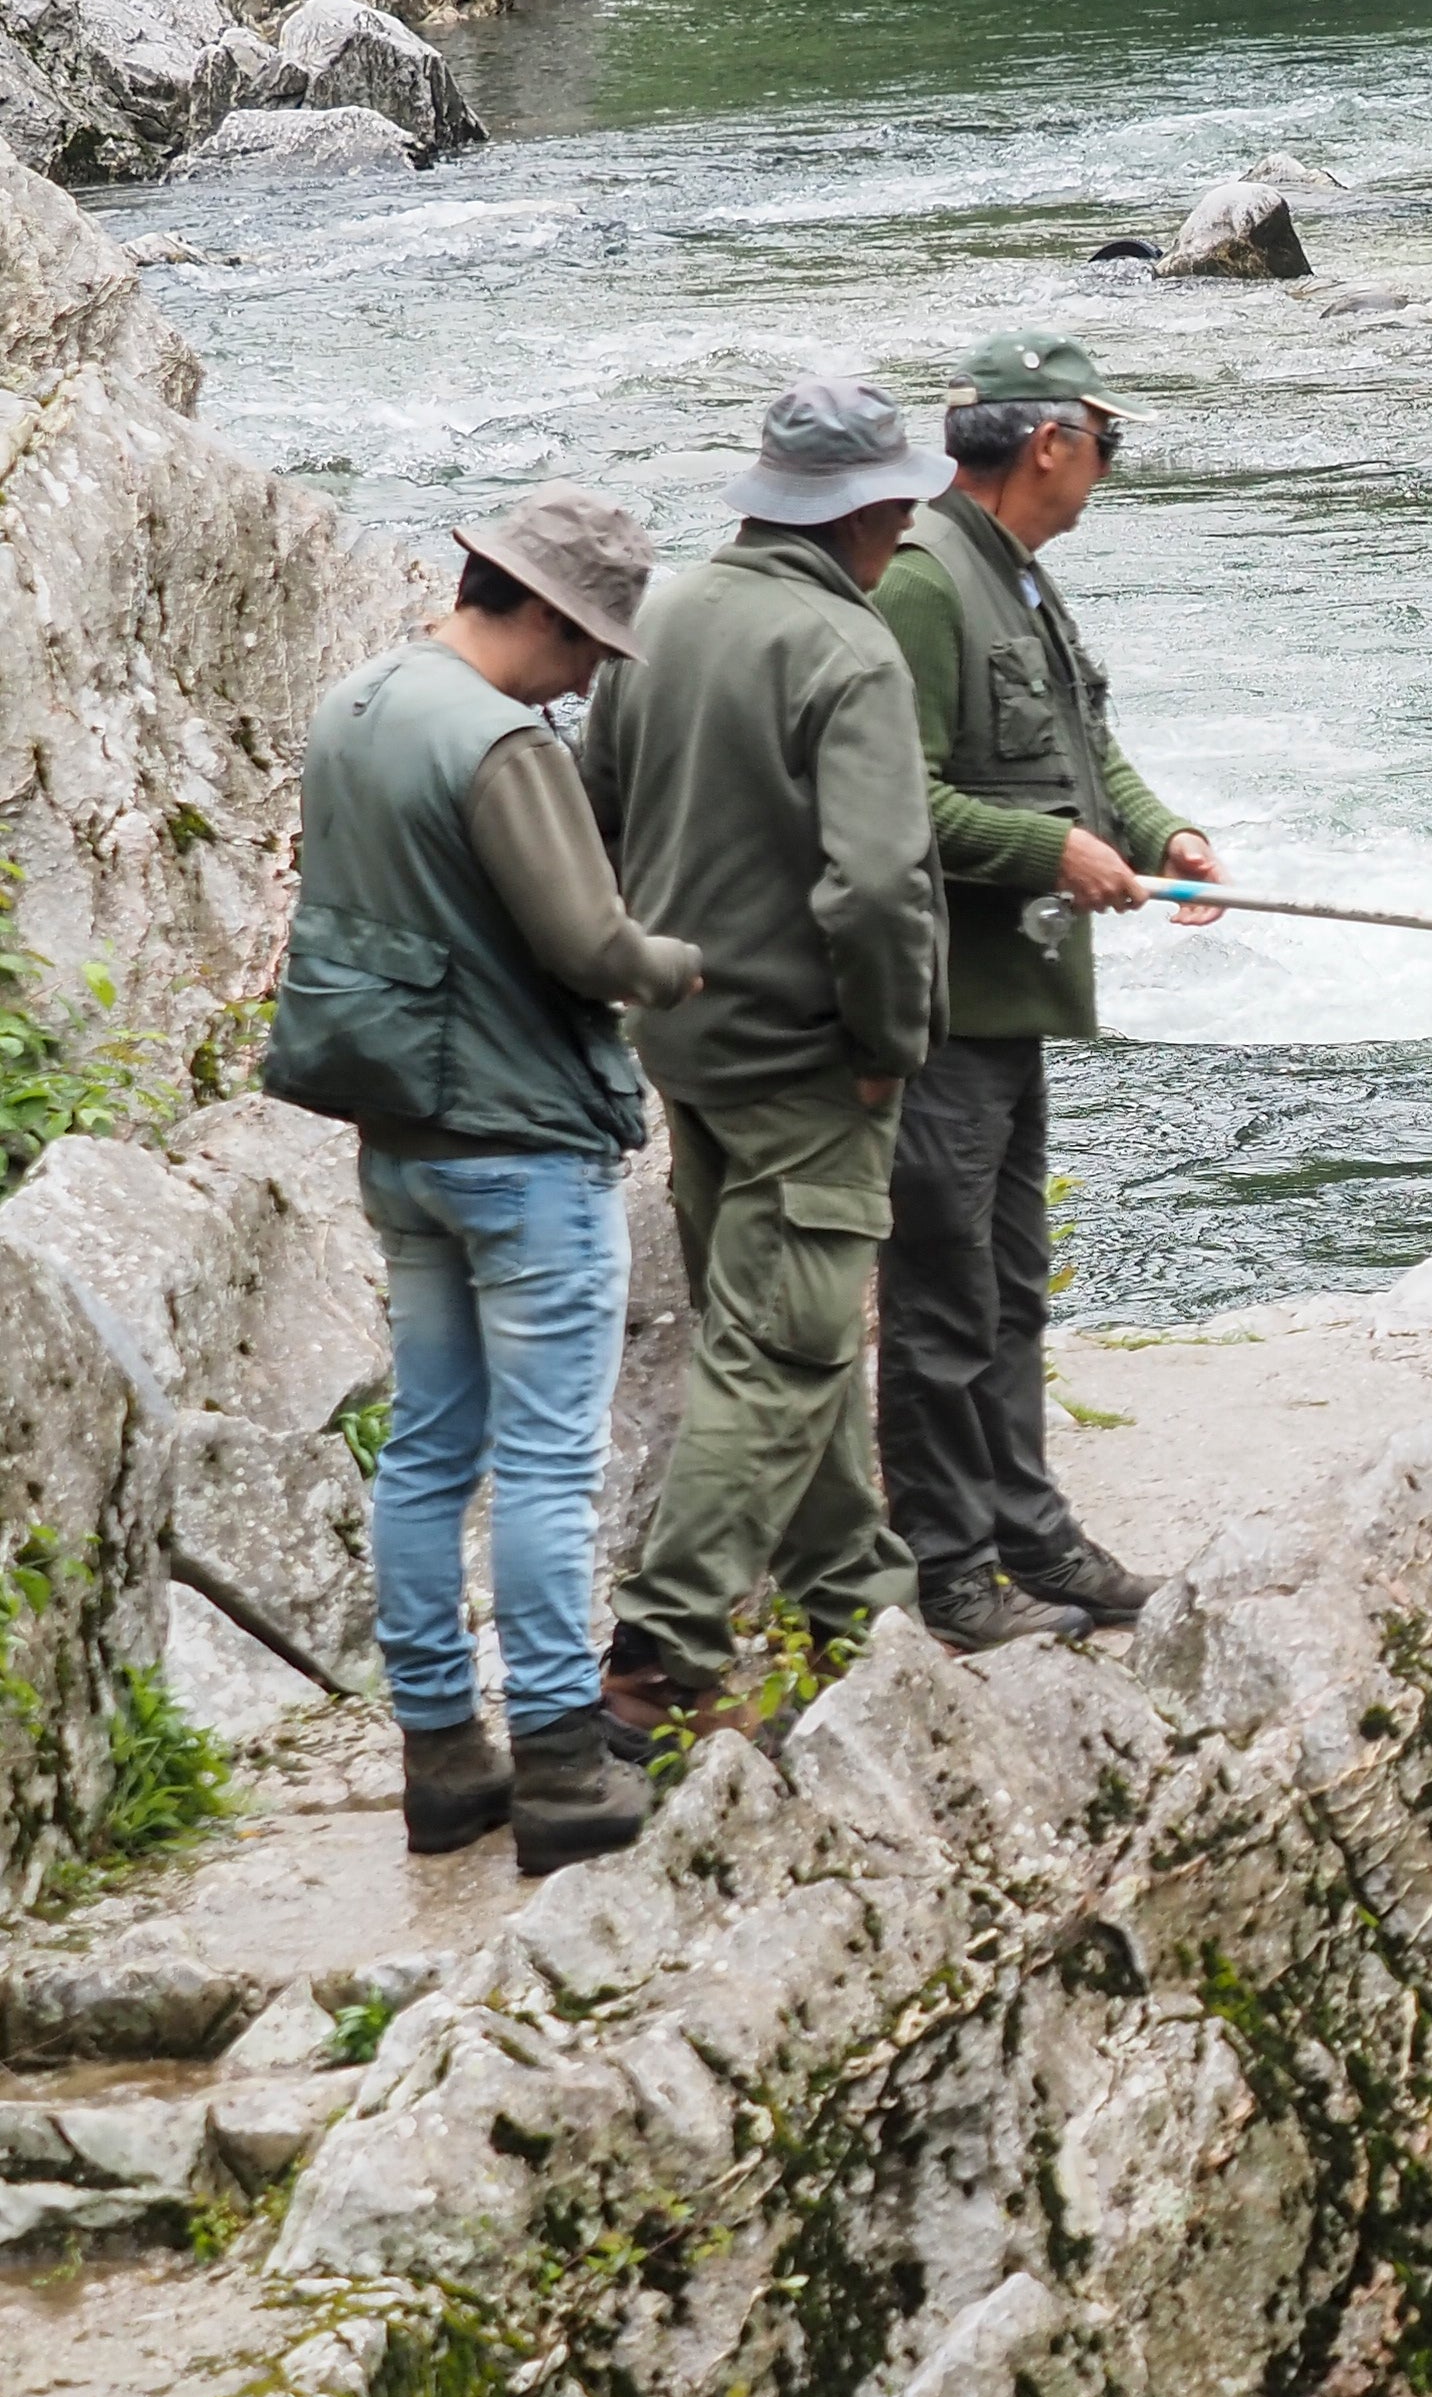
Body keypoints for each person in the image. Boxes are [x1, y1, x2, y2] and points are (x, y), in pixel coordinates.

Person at [262, 488, 692, 1873]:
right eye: (589, 651)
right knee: (551, 1467)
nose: (587, 681)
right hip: (525, 1149)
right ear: (552, 619)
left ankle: (444, 1760)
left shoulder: (357, 705)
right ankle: (565, 1771)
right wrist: (686, 962)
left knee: (431, 1452)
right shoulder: (503, 745)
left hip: (406, 1143)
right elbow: (591, 947)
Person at [583, 377, 947, 1745]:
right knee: (779, 1347)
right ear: (866, 512)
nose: (909, 519)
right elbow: (875, 890)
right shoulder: (847, 653)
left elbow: (595, 816)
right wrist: (885, 1044)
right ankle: (657, 1659)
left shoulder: (661, 615)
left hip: (684, 1044)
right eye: (899, 500)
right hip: (810, 1059)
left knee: (778, 1331)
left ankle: (857, 1602)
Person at [869, 329, 1222, 1649]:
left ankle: (1035, 1537)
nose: (1106, 469)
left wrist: (1157, 837)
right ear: (1049, 445)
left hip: (1016, 1006)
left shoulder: (1016, 581)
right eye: (1104, 443)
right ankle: (954, 1577)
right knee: (943, 1298)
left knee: (1013, 1287)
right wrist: (1049, 852)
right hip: (943, 1011)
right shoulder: (923, 584)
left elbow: (1088, 756)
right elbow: (898, 797)